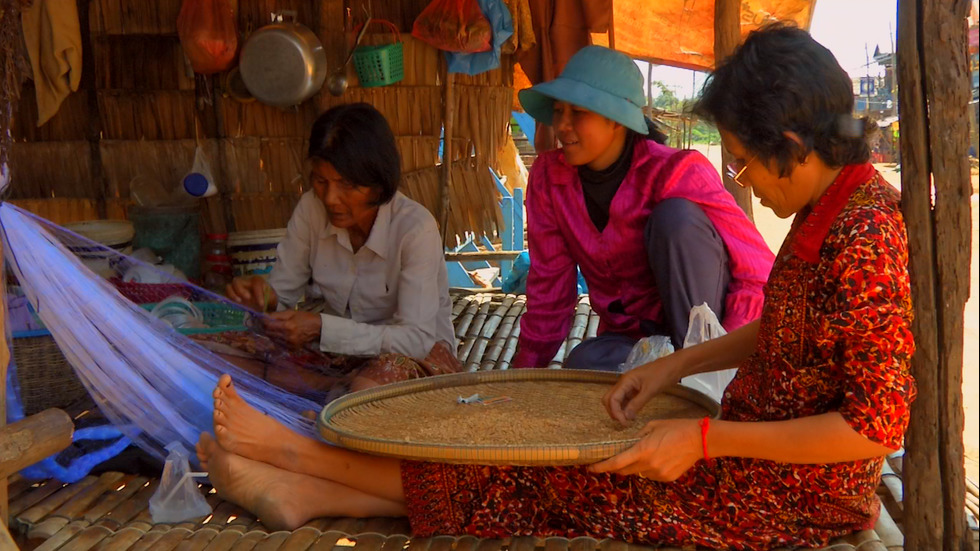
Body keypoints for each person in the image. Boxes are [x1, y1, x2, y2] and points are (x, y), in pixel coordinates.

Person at [197, 24, 915, 549]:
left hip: (785, 494)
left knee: (562, 484)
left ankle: (304, 463)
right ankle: (308, 490)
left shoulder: (864, 236)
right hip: (744, 448)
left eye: (745, 163)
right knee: (558, 466)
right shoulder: (832, 212)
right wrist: (676, 364)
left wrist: (704, 435)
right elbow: (792, 327)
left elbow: (873, 431)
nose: (740, 179)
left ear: (789, 147)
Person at [510, 45, 773, 371]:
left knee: (676, 219)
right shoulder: (549, 180)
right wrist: (523, 372)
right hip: (636, 343)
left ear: (617, 120)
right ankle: (668, 373)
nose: (562, 125)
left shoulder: (678, 171)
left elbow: (758, 272)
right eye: (559, 112)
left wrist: (721, 354)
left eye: (578, 113)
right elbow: (550, 287)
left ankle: (699, 375)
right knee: (582, 363)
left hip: (708, 344)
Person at [225, 103, 460, 393]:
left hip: (415, 357)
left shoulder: (415, 229)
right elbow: (282, 294)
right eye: (321, 181)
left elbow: (414, 340)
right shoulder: (311, 208)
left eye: (346, 185)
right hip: (337, 356)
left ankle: (334, 394)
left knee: (368, 390)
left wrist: (322, 329)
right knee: (216, 353)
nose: (331, 198)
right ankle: (332, 388)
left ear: (378, 183)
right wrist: (263, 300)